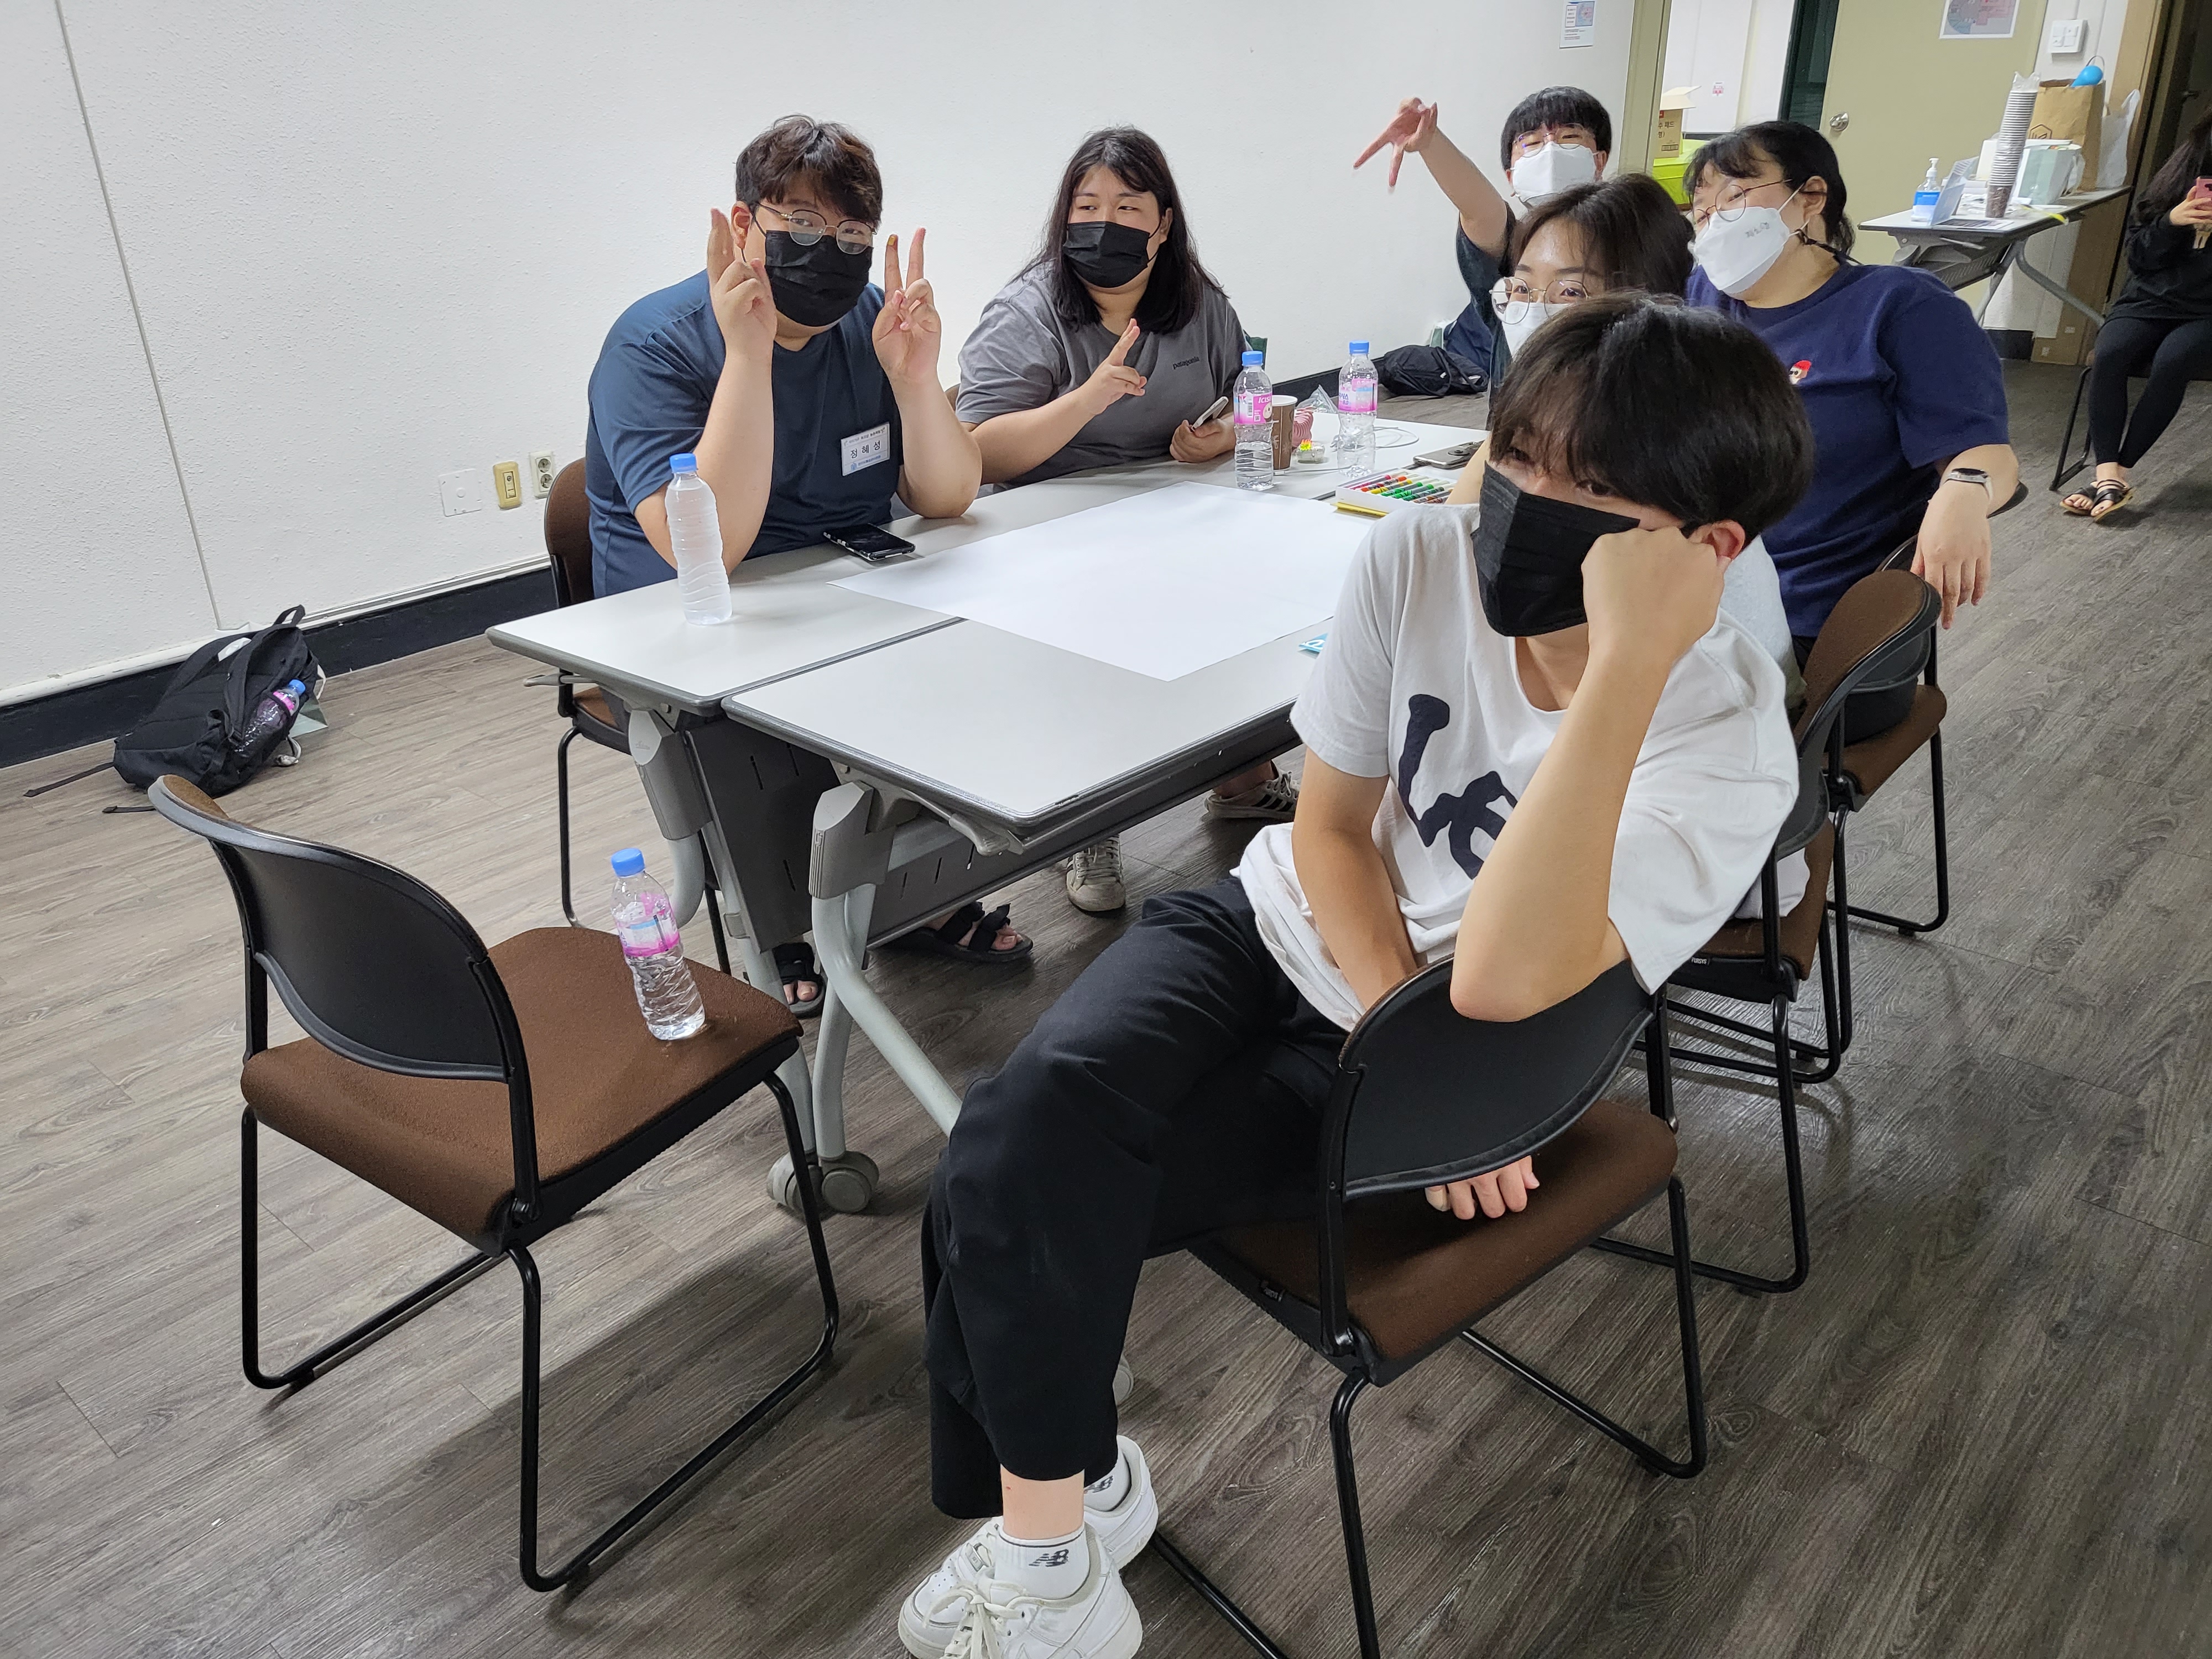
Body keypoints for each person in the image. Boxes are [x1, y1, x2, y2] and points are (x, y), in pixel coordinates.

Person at [896, 294, 1811, 1659]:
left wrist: (1627, 665)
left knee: (1005, 1179)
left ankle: (1059, 1530)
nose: (1520, 502)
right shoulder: (1417, 555)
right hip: (1285, 930)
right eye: (1514, 455)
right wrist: (1383, 1012)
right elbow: (1325, 830)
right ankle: (1061, 1534)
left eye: (1587, 491)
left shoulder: (1724, 741)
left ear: (1705, 551)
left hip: (1457, 1037)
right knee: (1016, 1135)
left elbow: (1497, 983)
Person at [583, 116, 1024, 1001]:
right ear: (746, 225)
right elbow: (711, 549)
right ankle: (779, 922)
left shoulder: (868, 323)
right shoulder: (655, 343)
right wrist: (747, 356)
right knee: (763, 717)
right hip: (694, 621)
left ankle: (914, 893)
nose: (832, 250)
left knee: (968, 642)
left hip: (839, 591)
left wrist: (915, 378)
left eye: (853, 232)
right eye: (805, 224)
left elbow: (946, 496)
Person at [957, 128, 1296, 917]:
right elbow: (974, 453)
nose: (1103, 224)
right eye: (1086, 207)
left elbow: (1259, 407)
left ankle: (1240, 774)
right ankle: (1088, 820)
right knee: (1105, 616)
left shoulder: (1199, 305)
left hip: (1171, 513)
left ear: (1163, 224)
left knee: (1251, 582)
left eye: (1127, 208)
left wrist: (1222, 439)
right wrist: (1086, 400)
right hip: (1046, 531)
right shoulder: (1027, 312)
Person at [1684, 120, 2020, 729]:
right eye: (1702, 212)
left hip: (1818, 632)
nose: (1713, 224)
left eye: (1734, 197)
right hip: (1692, 595)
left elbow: (1984, 453)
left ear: (1810, 196)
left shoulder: (1898, 306)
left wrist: (1963, 492)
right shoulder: (1703, 299)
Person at [1442, 175, 1801, 700]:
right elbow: (1448, 545)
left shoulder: (1668, 439)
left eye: (1570, 292)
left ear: (1648, 308)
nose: (1536, 311)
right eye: (1521, 288)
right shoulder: (1558, 424)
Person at [1356, 86, 1613, 381]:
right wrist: (1431, 142)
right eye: (1531, 143)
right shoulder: (1512, 248)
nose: (1551, 149)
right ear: (1511, 176)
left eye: (1569, 137)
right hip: (1514, 407)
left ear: (1599, 161)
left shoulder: (1623, 241)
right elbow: (1480, 210)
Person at [2062, 107, 2212, 521]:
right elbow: (2139, 257)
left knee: (2174, 360)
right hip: (2148, 300)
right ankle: (2107, 474)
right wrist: (2171, 223)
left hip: (2207, 313)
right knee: (2109, 354)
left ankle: (2116, 475)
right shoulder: (2176, 179)